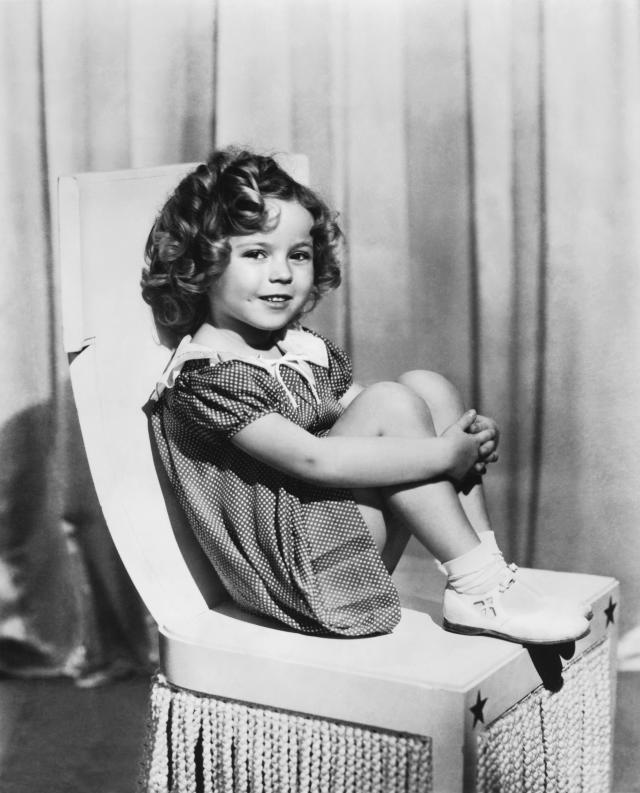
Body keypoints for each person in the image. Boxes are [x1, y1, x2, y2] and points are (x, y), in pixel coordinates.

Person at [141, 147, 589, 645]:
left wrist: (460, 435)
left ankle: (483, 575)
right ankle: (480, 586)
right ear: (201, 264)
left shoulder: (298, 348)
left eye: (299, 254)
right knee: (392, 403)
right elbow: (314, 460)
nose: (282, 273)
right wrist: (443, 453)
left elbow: (372, 409)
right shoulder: (206, 376)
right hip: (303, 576)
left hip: (336, 538)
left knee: (424, 387)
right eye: (256, 254)